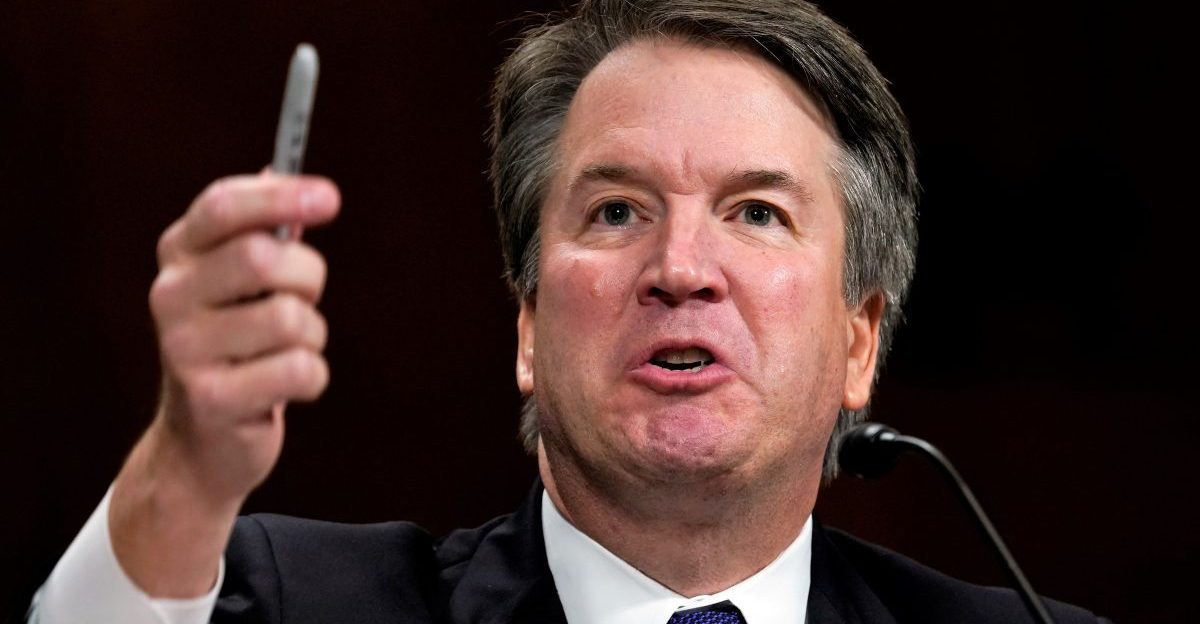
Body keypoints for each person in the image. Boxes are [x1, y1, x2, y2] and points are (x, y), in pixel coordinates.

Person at [30, 1, 1108, 622]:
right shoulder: (302, 602)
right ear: (530, 331)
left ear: (861, 343)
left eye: (757, 213)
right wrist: (184, 466)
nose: (682, 267)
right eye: (617, 209)